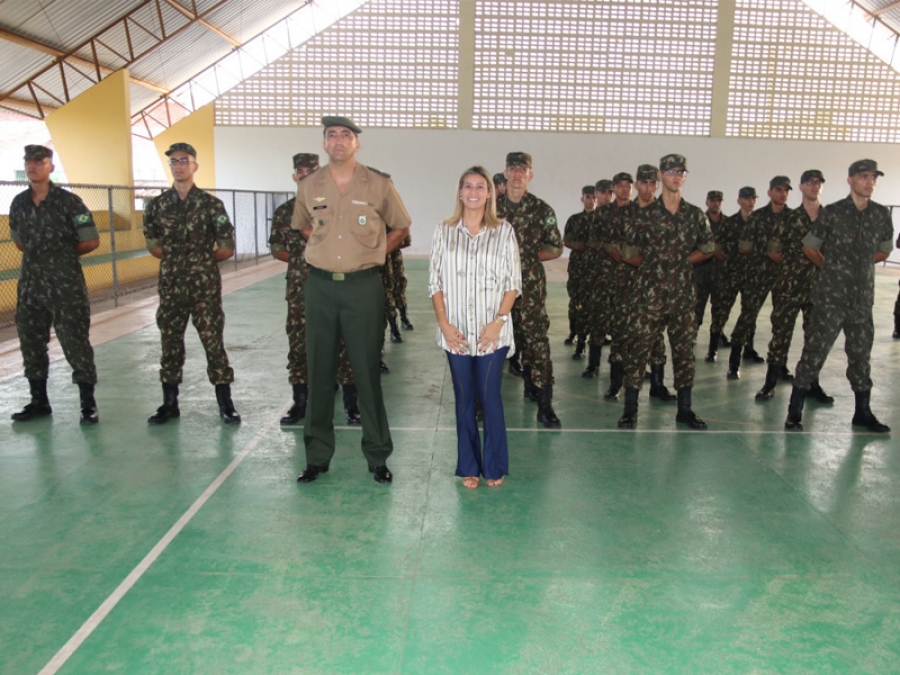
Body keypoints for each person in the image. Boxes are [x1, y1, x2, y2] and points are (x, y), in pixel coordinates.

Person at [290, 116, 412, 484]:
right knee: (319, 373)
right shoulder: (309, 185)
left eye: (346, 135)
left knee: (366, 372)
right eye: (332, 135)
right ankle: (316, 457)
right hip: (320, 287)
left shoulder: (378, 183)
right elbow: (301, 224)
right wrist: (322, 245)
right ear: (324, 144)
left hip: (363, 287)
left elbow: (401, 225)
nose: (339, 140)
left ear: (356, 143)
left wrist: (375, 253)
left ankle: (377, 456)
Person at [429, 166, 522, 488]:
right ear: (459, 192)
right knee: (464, 398)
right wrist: (444, 324)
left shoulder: (503, 231)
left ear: (489, 194)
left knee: (489, 395)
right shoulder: (444, 230)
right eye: (467, 186)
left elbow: (513, 284)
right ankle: (468, 465)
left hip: (490, 333)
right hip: (455, 332)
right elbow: (435, 283)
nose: (473, 192)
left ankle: (493, 465)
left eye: (480, 186)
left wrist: (498, 323)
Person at [785, 159, 893, 433]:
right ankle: (794, 412)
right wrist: (831, 268)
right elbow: (810, 247)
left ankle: (862, 413)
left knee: (860, 356)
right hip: (830, 299)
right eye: (864, 176)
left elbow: (884, 250)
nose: (870, 182)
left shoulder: (881, 214)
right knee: (814, 352)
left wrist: (860, 263)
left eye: (873, 177)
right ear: (850, 180)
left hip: (861, 300)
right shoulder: (833, 213)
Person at [143, 142, 241, 425]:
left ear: (195, 165)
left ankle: (226, 404)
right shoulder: (158, 205)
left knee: (213, 344)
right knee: (170, 344)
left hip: (204, 289)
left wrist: (200, 262)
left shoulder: (211, 204)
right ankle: (169, 404)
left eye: (184, 160)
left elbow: (226, 247)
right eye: (174, 161)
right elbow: (153, 244)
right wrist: (179, 261)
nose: (179, 166)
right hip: (171, 287)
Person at [618, 154, 714, 430]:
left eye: (681, 172)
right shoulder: (643, 216)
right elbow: (628, 253)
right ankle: (630, 410)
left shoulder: (694, 215)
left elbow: (708, 248)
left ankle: (685, 410)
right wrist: (653, 266)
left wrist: (681, 262)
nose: (676, 176)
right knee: (638, 350)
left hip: (683, 295)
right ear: (660, 176)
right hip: (648, 295)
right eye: (671, 171)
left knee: (684, 352)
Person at [9, 144, 100, 425]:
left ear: (51, 166)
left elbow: (91, 240)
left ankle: (88, 404)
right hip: (31, 286)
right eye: (28, 160)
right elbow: (19, 242)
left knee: (75, 342)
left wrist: (61, 257)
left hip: (65, 285)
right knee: (31, 342)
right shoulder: (19, 203)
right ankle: (39, 402)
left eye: (39, 160)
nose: (32, 165)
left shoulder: (69, 202)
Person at [269, 153, 361, 427]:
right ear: (294, 176)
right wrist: (305, 261)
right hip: (301, 290)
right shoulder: (285, 211)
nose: (305, 175)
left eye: (311, 171)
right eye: (301, 171)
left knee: (345, 344)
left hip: (336, 286)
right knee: (299, 345)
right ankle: (300, 402)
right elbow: (278, 250)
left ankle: (352, 404)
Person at [496, 152, 564, 428]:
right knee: (487, 341)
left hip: (530, 286)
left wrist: (525, 258)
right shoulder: (489, 207)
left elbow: (555, 247)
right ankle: (479, 402)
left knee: (536, 341)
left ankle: (545, 403)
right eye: (513, 168)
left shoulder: (541, 209)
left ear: (530, 175)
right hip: (494, 286)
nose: (517, 174)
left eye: (522, 170)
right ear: (505, 173)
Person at [755, 170, 832, 404]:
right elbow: (773, 251)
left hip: (819, 288)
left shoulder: (830, 219)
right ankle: (770, 384)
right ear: (801, 187)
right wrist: (793, 266)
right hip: (789, 287)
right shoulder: (788, 219)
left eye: (818, 183)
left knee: (815, 338)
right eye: (810, 182)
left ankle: (811, 384)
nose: (814, 186)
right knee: (781, 334)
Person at [726, 176, 792, 379]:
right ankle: (734, 363)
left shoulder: (794, 218)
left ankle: (779, 365)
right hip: (758, 276)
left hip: (784, 277)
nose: (783, 194)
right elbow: (743, 247)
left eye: (786, 190)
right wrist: (765, 252)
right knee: (747, 317)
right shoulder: (757, 217)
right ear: (770, 192)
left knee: (783, 322)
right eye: (778, 190)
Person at [706, 187, 756, 362]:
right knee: (721, 311)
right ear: (739, 201)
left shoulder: (759, 222)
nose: (750, 202)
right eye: (746, 198)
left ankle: (749, 348)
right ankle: (712, 349)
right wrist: (725, 263)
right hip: (731, 275)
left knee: (750, 313)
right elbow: (716, 245)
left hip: (752, 276)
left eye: (753, 199)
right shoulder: (730, 223)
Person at [562, 185, 596, 359]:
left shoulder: (602, 219)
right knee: (576, 302)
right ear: (582, 199)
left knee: (594, 305)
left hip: (597, 269)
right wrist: (581, 247)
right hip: (577, 267)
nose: (591, 200)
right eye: (588, 197)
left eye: (594, 197)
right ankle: (574, 332)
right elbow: (566, 240)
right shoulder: (574, 220)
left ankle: (588, 340)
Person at [694, 190, 723, 341]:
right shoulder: (699, 222)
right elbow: (694, 245)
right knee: (697, 307)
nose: (716, 203)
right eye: (713, 200)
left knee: (719, 309)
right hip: (701, 273)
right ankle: (693, 335)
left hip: (720, 274)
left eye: (718, 201)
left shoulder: (727, 223)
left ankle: (717, 337)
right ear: (707, 202)